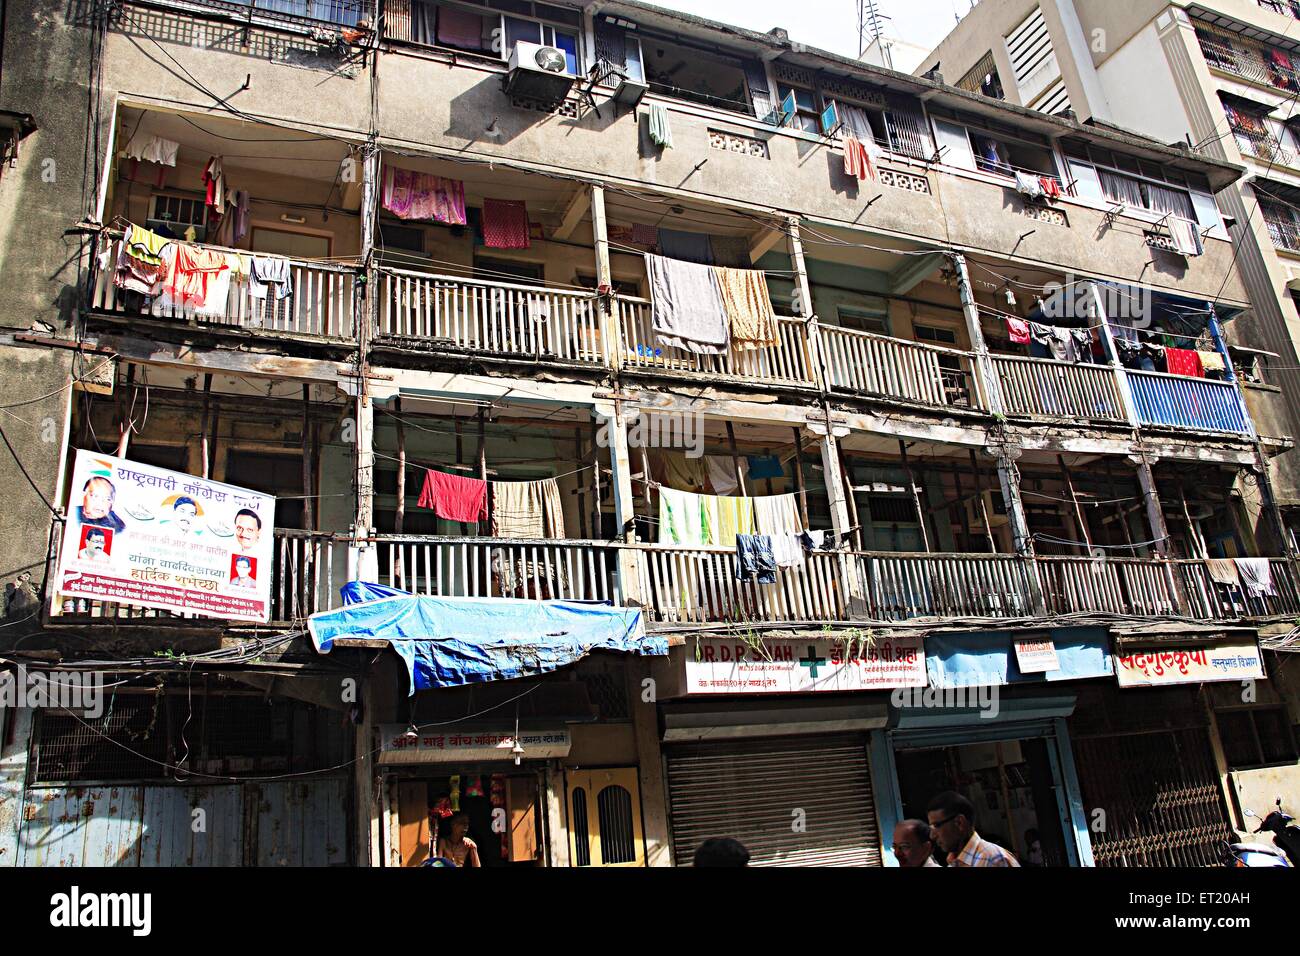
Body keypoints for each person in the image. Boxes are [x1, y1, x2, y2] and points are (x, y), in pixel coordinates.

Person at [926, 791, 1020, 868]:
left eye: (937, 825)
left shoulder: (993, 860)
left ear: (959, 823)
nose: (932, 836)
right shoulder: (954, 863)